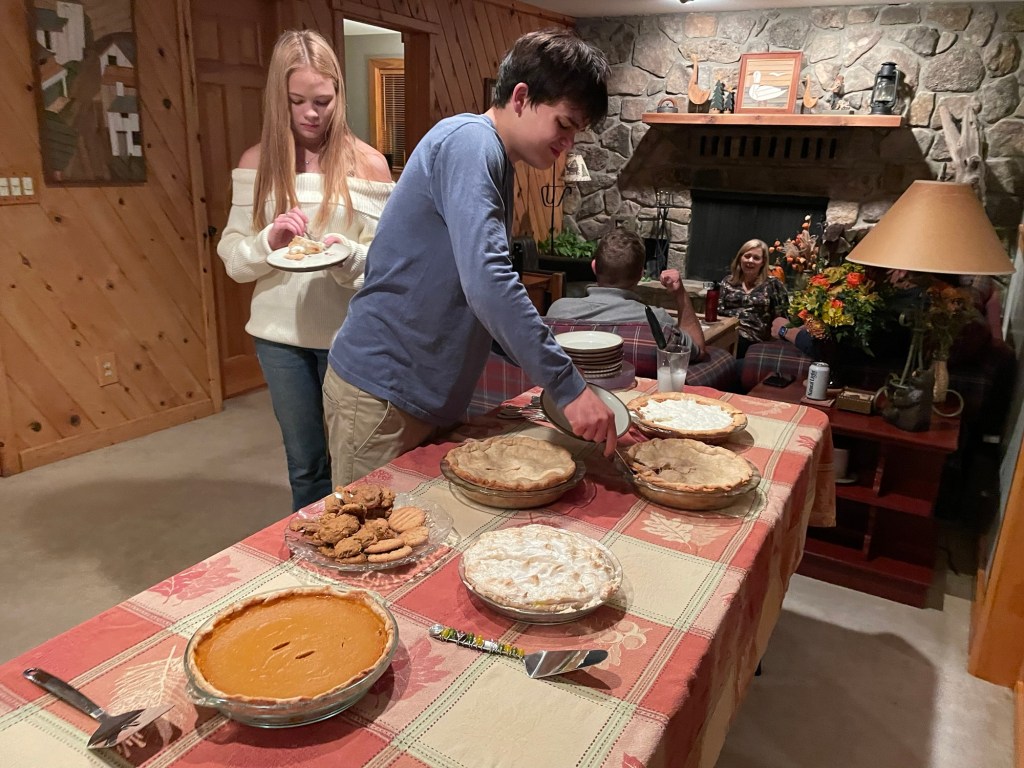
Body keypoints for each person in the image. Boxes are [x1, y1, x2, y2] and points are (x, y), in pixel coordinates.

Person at [323, 29, 616, 485]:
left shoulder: (495, 157)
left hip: (419, 396)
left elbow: (468, 290)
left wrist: (543, 353)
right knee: (370, 526)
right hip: (383, 394)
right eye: (564, 124)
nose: (568, 143)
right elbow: (489, 281)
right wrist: (566, 385)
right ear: (521, 97)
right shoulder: (470, 143)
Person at [217, 30, 394, 511]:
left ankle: (361, 539)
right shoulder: (257, 164)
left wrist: (347, 256)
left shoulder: (370, 165)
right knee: (305, 464)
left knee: (356, 461)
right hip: (279, 339)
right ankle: (314, 547)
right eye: (297, 101)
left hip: (349, 336)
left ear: (339, 94)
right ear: (279, 98)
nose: (311, 114)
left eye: (322, 101)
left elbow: (388, 265)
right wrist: (267, 241)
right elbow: (233, 259)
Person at [546, 228, 707, 361]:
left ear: (594, 267)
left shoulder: (558, 311)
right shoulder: (657, 321)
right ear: (640, 275)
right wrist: (680, 294)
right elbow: (698, 349)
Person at [718, 238, 789, 357]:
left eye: (756, 258)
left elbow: (783, 318)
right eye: (747, 256)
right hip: (728, 335)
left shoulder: (773, 285)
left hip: (755, 341)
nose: (750, 261)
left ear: (763, 262)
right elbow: (718, 313)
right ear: (740, 258)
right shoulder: (728, 282)